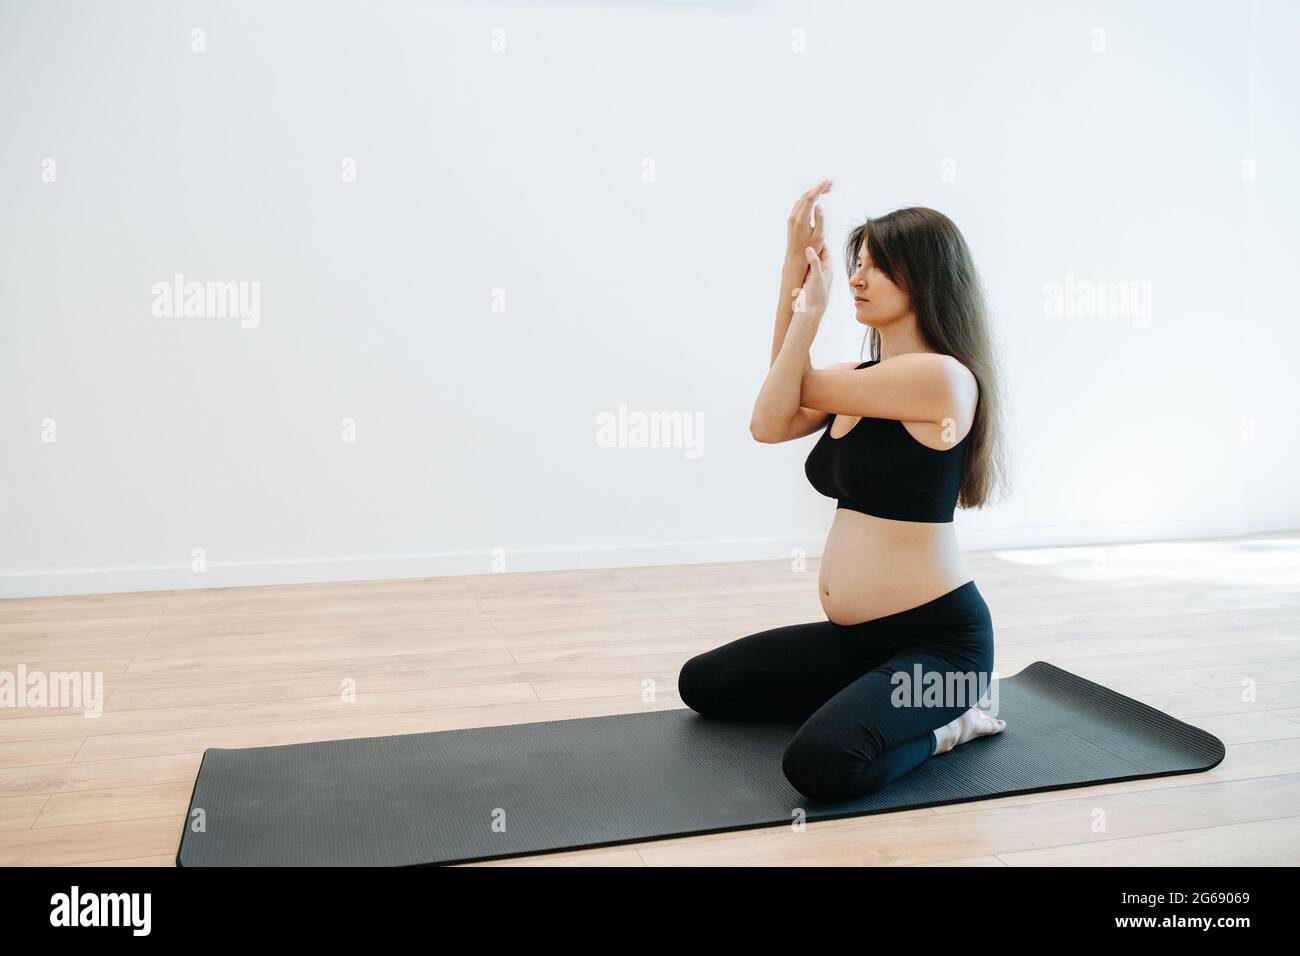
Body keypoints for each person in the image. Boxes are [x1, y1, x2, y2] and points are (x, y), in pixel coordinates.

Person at [677, 181, 1011, 803]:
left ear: (928, 279)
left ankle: (954, 724)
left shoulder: (942, 379)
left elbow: (794, 381)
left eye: (879, 266)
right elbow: (769, 418)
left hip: (942, 652)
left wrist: (807, 313)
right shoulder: (858, 381)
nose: (859, 277)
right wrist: (793, 269)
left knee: (822, 763)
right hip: (858, 643)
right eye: (856, 263)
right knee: (704, 684)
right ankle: (871, 694)